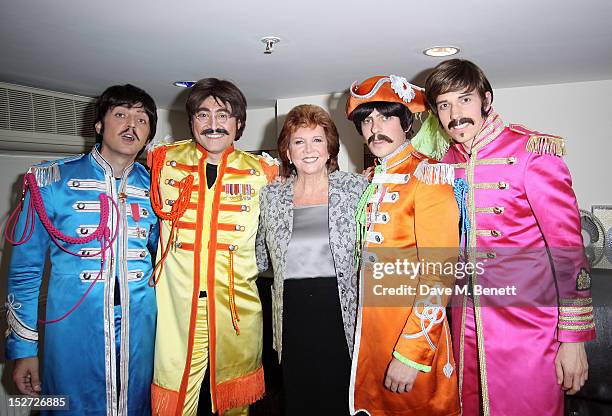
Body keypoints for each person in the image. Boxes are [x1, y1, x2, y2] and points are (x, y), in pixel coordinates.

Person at [424, 58, 595, 416]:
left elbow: (569, 253)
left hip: (530, 332)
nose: (455, 113)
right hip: (463, 331)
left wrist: (573, 340)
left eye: (464, 99)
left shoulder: (531, 152)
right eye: (444, 105)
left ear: (486, 99)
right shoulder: (443, 166)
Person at [5, 84, 159, 415]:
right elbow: (25, 271)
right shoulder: (50, 181)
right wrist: (23, 349)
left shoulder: (157, 187)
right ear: (99, 125)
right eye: (120, 115)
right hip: (71, 332)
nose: (131, 125)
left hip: (142, 331)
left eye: (142, 120)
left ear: (149, 136)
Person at [148, 78, 278, 416]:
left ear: (239, 124)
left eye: (224, 115)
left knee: (235, 400)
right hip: (174, 308)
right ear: (191, 122)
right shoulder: (162, 163)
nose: (213, 124)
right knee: (172, 400)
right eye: (203, 115)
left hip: (236, 308)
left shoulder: (263, 172)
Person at [346, 75, 460, 415]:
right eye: (367, 120)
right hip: (373, 341)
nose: (374, 128)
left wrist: (412, 354)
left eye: (385, 117)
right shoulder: (374, 179)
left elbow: (440, 274)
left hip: (410, 345)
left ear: (406, 123)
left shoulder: (428, 177)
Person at [255, 104, 368, 415]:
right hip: (293, 315)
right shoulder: (270, 197)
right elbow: (259, 257)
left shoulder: (357, 188)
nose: (308, 150)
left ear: (330, 147)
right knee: (300, 400)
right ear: (287, 152)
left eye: (317, 140)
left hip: (341, 313)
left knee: (341, 399)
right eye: (298, 141)